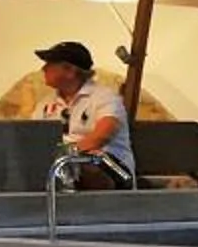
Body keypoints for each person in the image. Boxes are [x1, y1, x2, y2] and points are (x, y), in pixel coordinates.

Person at [36, 40, 135, 186]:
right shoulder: (45, 104)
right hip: (62, 165)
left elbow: (102, 136)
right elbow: (32, 140)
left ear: (70, 71)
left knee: (86, 166)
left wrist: (65, 154)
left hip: (108, 165)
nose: (43, 68)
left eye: (50, 64)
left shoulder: (104, 97)